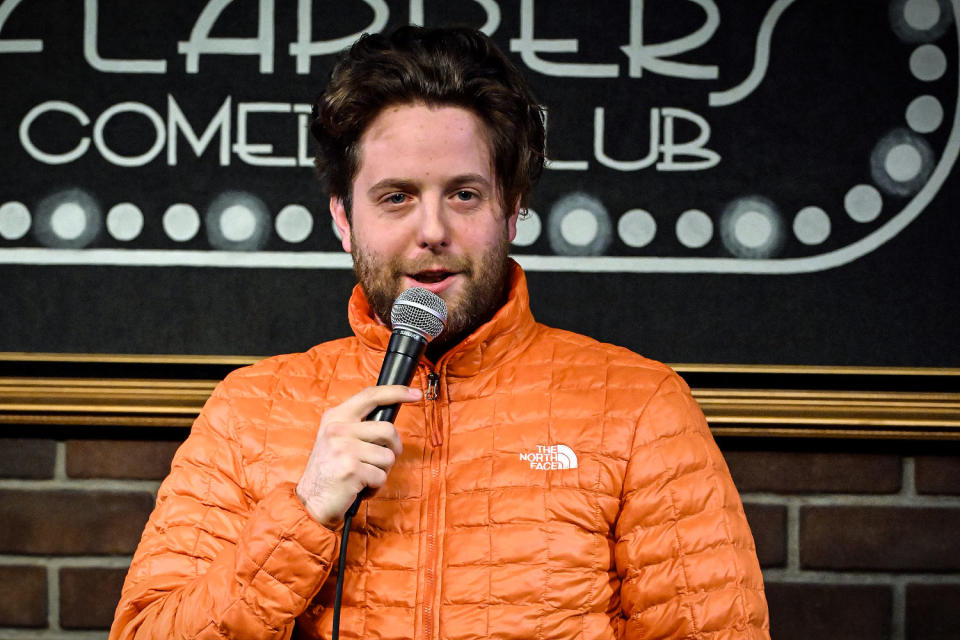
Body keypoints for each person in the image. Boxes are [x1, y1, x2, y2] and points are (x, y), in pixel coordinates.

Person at [110, 25, 769, 639]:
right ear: (343, 218)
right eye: (396, 196)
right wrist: (303, 514)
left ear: (511, 210)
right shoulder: (249, 410)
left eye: (463, 194)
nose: (433, 230)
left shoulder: (640, 406)